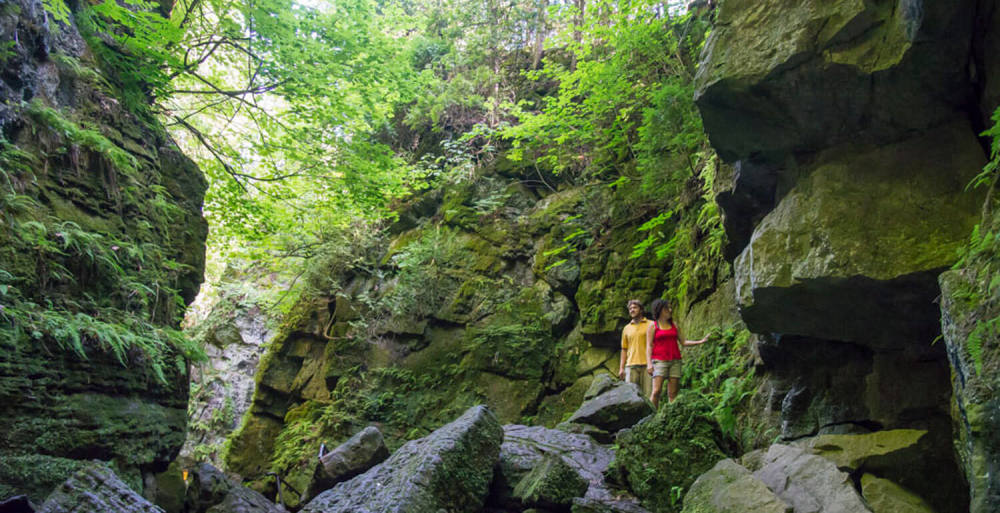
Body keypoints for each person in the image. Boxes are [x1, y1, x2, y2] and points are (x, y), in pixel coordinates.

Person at [645, 298, 707, 408]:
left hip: (675, 361)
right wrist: (649, 364)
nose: (670, 310)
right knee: (656, 391)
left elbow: (683, 342)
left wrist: (700, 341)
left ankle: (671, 415)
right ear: (660, 310)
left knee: (673, 393)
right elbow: (649, 346)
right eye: (667, 308)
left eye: (670, 308)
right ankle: (651, 414)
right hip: (659, 361)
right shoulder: (653, 326)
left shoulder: (674, 325)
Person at [618, 299, 653, 397]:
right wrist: (621, 368)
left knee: (649, 395)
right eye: (630, 309)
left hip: (648, 366)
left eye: (635, 308)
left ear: (641, 310)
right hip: (631, 366)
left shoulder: (651, 324)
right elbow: (624, 349)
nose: (632, 310)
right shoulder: (626, 328)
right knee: (631, 396)